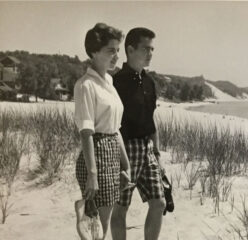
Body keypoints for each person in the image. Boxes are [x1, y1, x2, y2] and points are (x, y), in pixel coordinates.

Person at [74, 22, 131, 240]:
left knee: (101, 224)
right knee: (97, 228)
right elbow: (86, 133)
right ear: (94, 51)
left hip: (112, 154)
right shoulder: (85, 85)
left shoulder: (109, 81)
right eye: (111, 51)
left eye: (118, 50)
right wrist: (92, 175)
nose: (117, 56)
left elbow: (115, 129)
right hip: (95, 157)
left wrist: (125, 165)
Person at [111, 27, 166, 240]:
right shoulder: (117, 83)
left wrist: (158, 154)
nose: (150, 53)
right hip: (124, 149)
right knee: (120, 208)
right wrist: (116, 160)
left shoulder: (150, 82)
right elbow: (110, 125)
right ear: (130, 49)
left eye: (153, 49)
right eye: (146, 48)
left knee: (159, 202)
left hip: (147, 149)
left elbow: (151, 119)